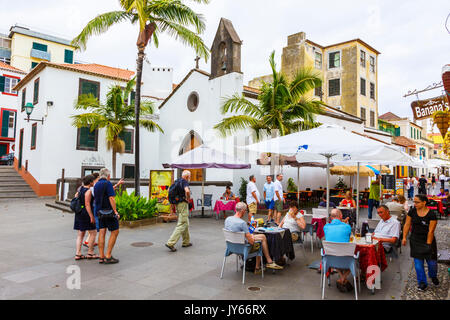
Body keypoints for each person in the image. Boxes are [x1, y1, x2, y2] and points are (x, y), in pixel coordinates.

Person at [224, 202, 283, 273]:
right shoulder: (242, 223)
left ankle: (265, 263)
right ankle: (262, 265)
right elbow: (251, 242)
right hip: (243, 248)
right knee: (262, 238)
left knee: (256, 234)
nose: (245, 212)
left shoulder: (228, 219)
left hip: (231, 246)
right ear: (242, 211)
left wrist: (250, 233)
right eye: (245, 211)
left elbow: (235, 231)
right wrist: (252, 236)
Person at [402, 194, 439, 291]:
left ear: (424, 202)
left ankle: (433, 275)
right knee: (418, 264)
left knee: (432, 263)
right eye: (414, 202)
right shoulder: (412, 211)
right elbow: (407, 224)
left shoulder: (431, 214)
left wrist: (428, 245)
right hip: (415, 240)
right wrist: (404, 237)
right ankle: (422, 283)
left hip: (428, 240)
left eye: (417, 202)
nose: (414, 204)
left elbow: (431, 231)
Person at [84, 174, 124, 247]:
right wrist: (115, 211)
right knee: (98, 231)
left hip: (96, 209)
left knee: (99, 231)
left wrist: (117, 184)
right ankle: (90, 249)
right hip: (97, 209)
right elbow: (111, 196)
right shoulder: (93, 187)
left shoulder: (94, 186)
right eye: (97, 178)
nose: (98, 179)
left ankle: (88, 242)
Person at [323, 208, 353, 292]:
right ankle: (344, 278)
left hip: (331, 260)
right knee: (356, 256)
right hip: (346, 260)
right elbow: (348, 237)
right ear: (341, 216)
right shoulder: (347, 227)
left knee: (336, 253)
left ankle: (341, 277)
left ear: (331, 217)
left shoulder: (326, 227)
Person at [94, 168, 120, 264]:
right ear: (108, 176)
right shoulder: (107, 183)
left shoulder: (96, 184)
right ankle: (108, 255)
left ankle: (101, 256)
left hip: (99, 212)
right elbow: (111, 198)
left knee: (102, 232)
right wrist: (115, 211)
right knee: (115, 231)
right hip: (108, 211)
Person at [166, 170, 192, 252]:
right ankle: (170, 243)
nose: (190, 178)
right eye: (190, 176)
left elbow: (168, 190)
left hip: (178, 204)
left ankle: (186, 242)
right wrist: (188, 198)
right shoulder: (184, 182)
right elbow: (187, 191)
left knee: (186, 222)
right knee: (182, 223)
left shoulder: (177, 181)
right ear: (187, 176)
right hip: (183, 204)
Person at [74, 175, 99, 260]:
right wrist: (91, 216)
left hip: (79, 213)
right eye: (93, 181)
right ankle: (90, 252)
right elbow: (87, 204)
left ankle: (78, 253)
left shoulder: (80, 189)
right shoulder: (88, 191)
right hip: (86, 213)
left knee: (80, 234)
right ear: (90, 182)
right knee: (93, 232)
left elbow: (75, 196)